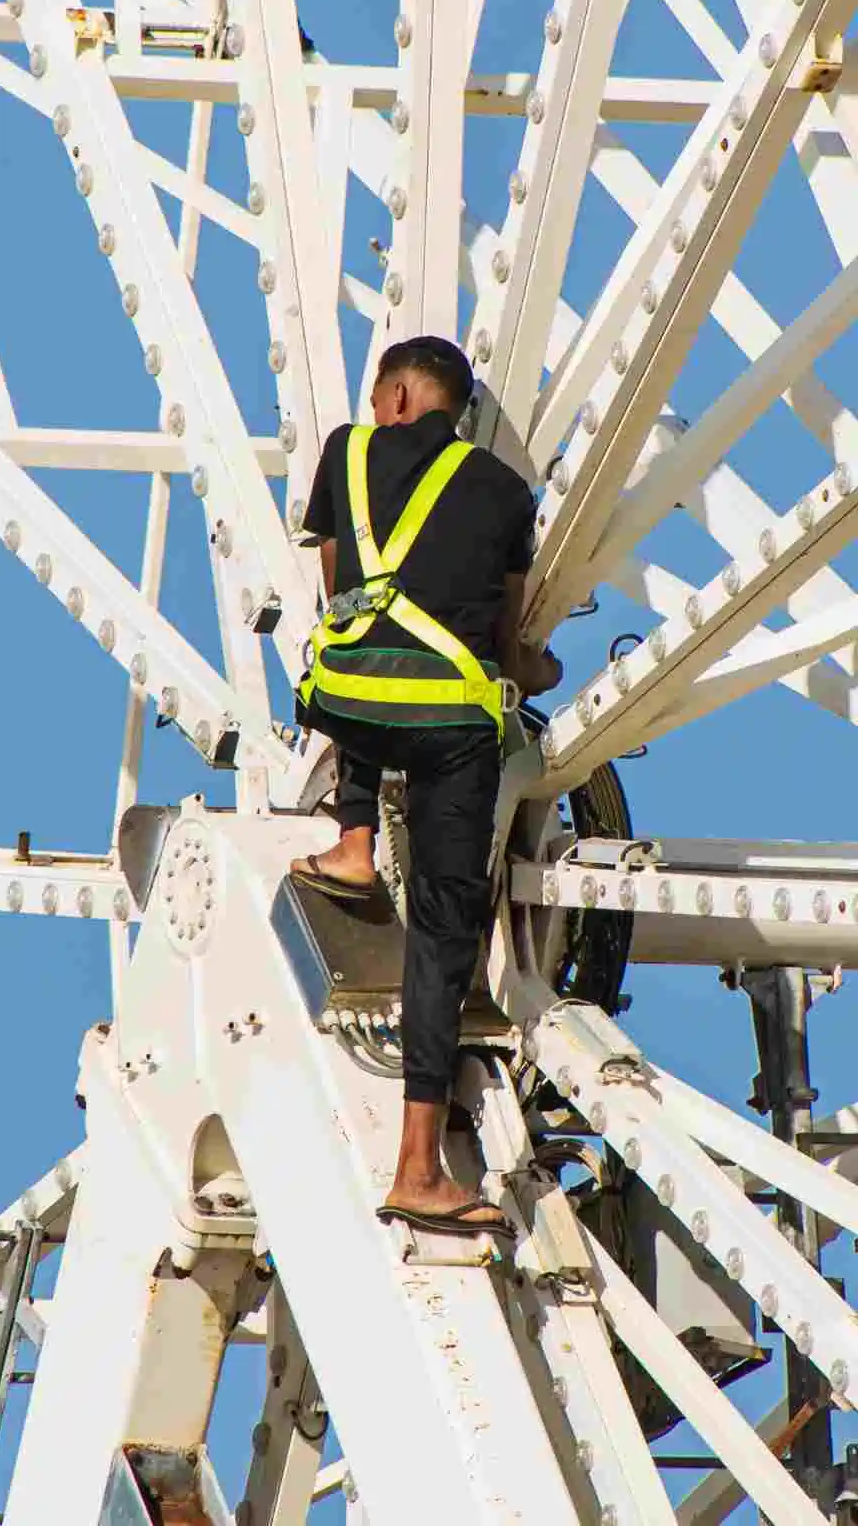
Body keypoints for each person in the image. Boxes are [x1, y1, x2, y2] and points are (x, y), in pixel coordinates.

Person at [291, 335, 563, 1237]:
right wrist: (538, 668)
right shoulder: (504, 491)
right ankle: (419, 1167)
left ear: (401, 397)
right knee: (446, 930)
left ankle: (355, 841)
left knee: (365, 672)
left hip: (357, 701)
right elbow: (509, 635)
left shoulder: (347, 451)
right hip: (453, 725)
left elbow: (340, 589)